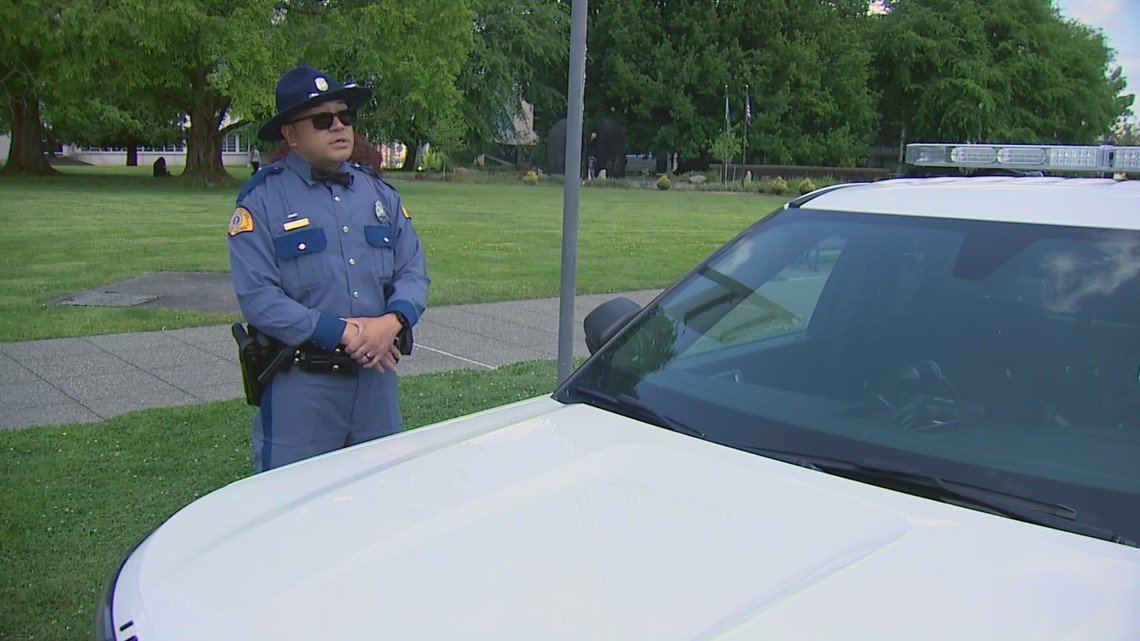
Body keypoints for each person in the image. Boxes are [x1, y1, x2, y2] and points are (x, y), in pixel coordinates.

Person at [227, 64, 430, 473]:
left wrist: (392, 321)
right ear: (291, 134)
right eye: (323, 120)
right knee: (292, 509)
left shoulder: (379, 194)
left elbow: (413, 270)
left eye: (345, 117)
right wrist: (344, 332)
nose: (339, 127)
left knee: (380, 503)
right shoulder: (262, 202)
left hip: (376, 382)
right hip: (302, 386)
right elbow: (259, 299)